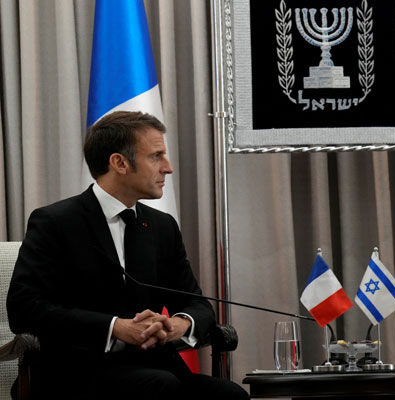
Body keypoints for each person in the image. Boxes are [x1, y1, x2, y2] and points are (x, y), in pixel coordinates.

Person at [6, 111, 248, 400]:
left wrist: (178, 324)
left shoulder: (162, 226)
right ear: (120, 163)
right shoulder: (55, 222)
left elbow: (195, 302)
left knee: (230, 395)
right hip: (78, 374)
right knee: (160, 387)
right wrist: (115, 327)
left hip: (157, 368)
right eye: (156, 156)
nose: (168, 168)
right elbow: (24, 309)